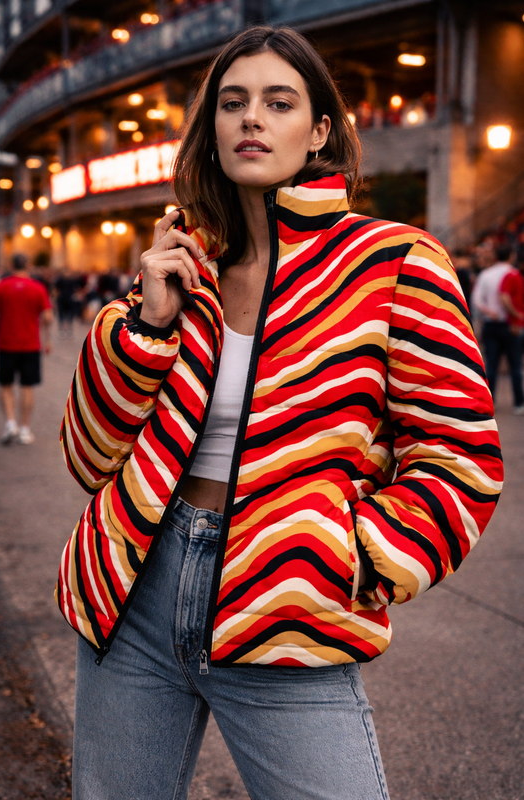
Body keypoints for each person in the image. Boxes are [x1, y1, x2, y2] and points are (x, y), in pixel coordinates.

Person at [57, 26, 503, 800]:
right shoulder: (179, 268)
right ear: (212, 128)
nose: (251, 119)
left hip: (287, 598)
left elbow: (459, 457)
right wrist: (147, 328)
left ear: (319, 129)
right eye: (232, 103)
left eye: (277, 101)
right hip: (133, 594)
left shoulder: (392, 263)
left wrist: (355, 558)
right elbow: (90, 457)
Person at [0, 253, 52, 444]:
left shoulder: (1, 287)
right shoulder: (38, 287)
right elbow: (48, 317)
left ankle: (11, 422)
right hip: (30, 344)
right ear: (28, 265)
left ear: (11, 265)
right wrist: (47, 338)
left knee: (6, 385)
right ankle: (25, 428)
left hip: (6, 343)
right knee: (27, 387)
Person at [471, 243, 524, 413]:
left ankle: (489, 402)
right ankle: (519, 403)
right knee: (515, 365)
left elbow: (476, 300)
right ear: (511, 256)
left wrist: (488, 311)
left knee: (491, 366)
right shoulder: (513, 274)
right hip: (510, 324)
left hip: (490, 324)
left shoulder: (486, 274)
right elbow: (509, 297)